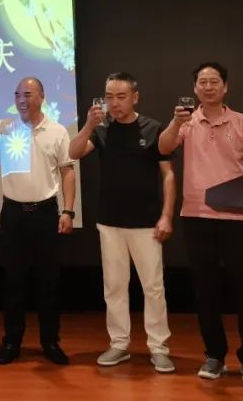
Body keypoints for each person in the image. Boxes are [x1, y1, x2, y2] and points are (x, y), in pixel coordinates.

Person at [159, 62, 243, 383]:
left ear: (225, 86)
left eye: (214, 81)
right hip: (197, 216)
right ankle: (214, 355)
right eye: (202, 82)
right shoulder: (187, 122)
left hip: (238, 215)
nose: (208, 87)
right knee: (205, 290)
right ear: (195, 89)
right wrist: (175, 122)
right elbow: (163, 148)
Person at [69, 72, 176, 373]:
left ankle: (158, 347)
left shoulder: (153, 128)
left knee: (153, 287)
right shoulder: (101, 129)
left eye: (121, 96)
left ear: (135, 97)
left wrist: (166, 215)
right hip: (110, 222)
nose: (114, 103)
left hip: (146, 223)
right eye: (109, 97)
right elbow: (73, 153)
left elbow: (168, 175)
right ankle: (119, 343)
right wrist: (88, 125)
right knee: (114, 286)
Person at [0, 76, 76, 365]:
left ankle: (50, 342)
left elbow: (67, 171)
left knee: (48, 281)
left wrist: (68, 211)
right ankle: (12, 342)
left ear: (42, 96)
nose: (21, 100)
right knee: (13, 281)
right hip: (13, 213)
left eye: (27, 94)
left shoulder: (57, 131)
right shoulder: (7, 127)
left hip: (45, 213)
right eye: (17, 94)